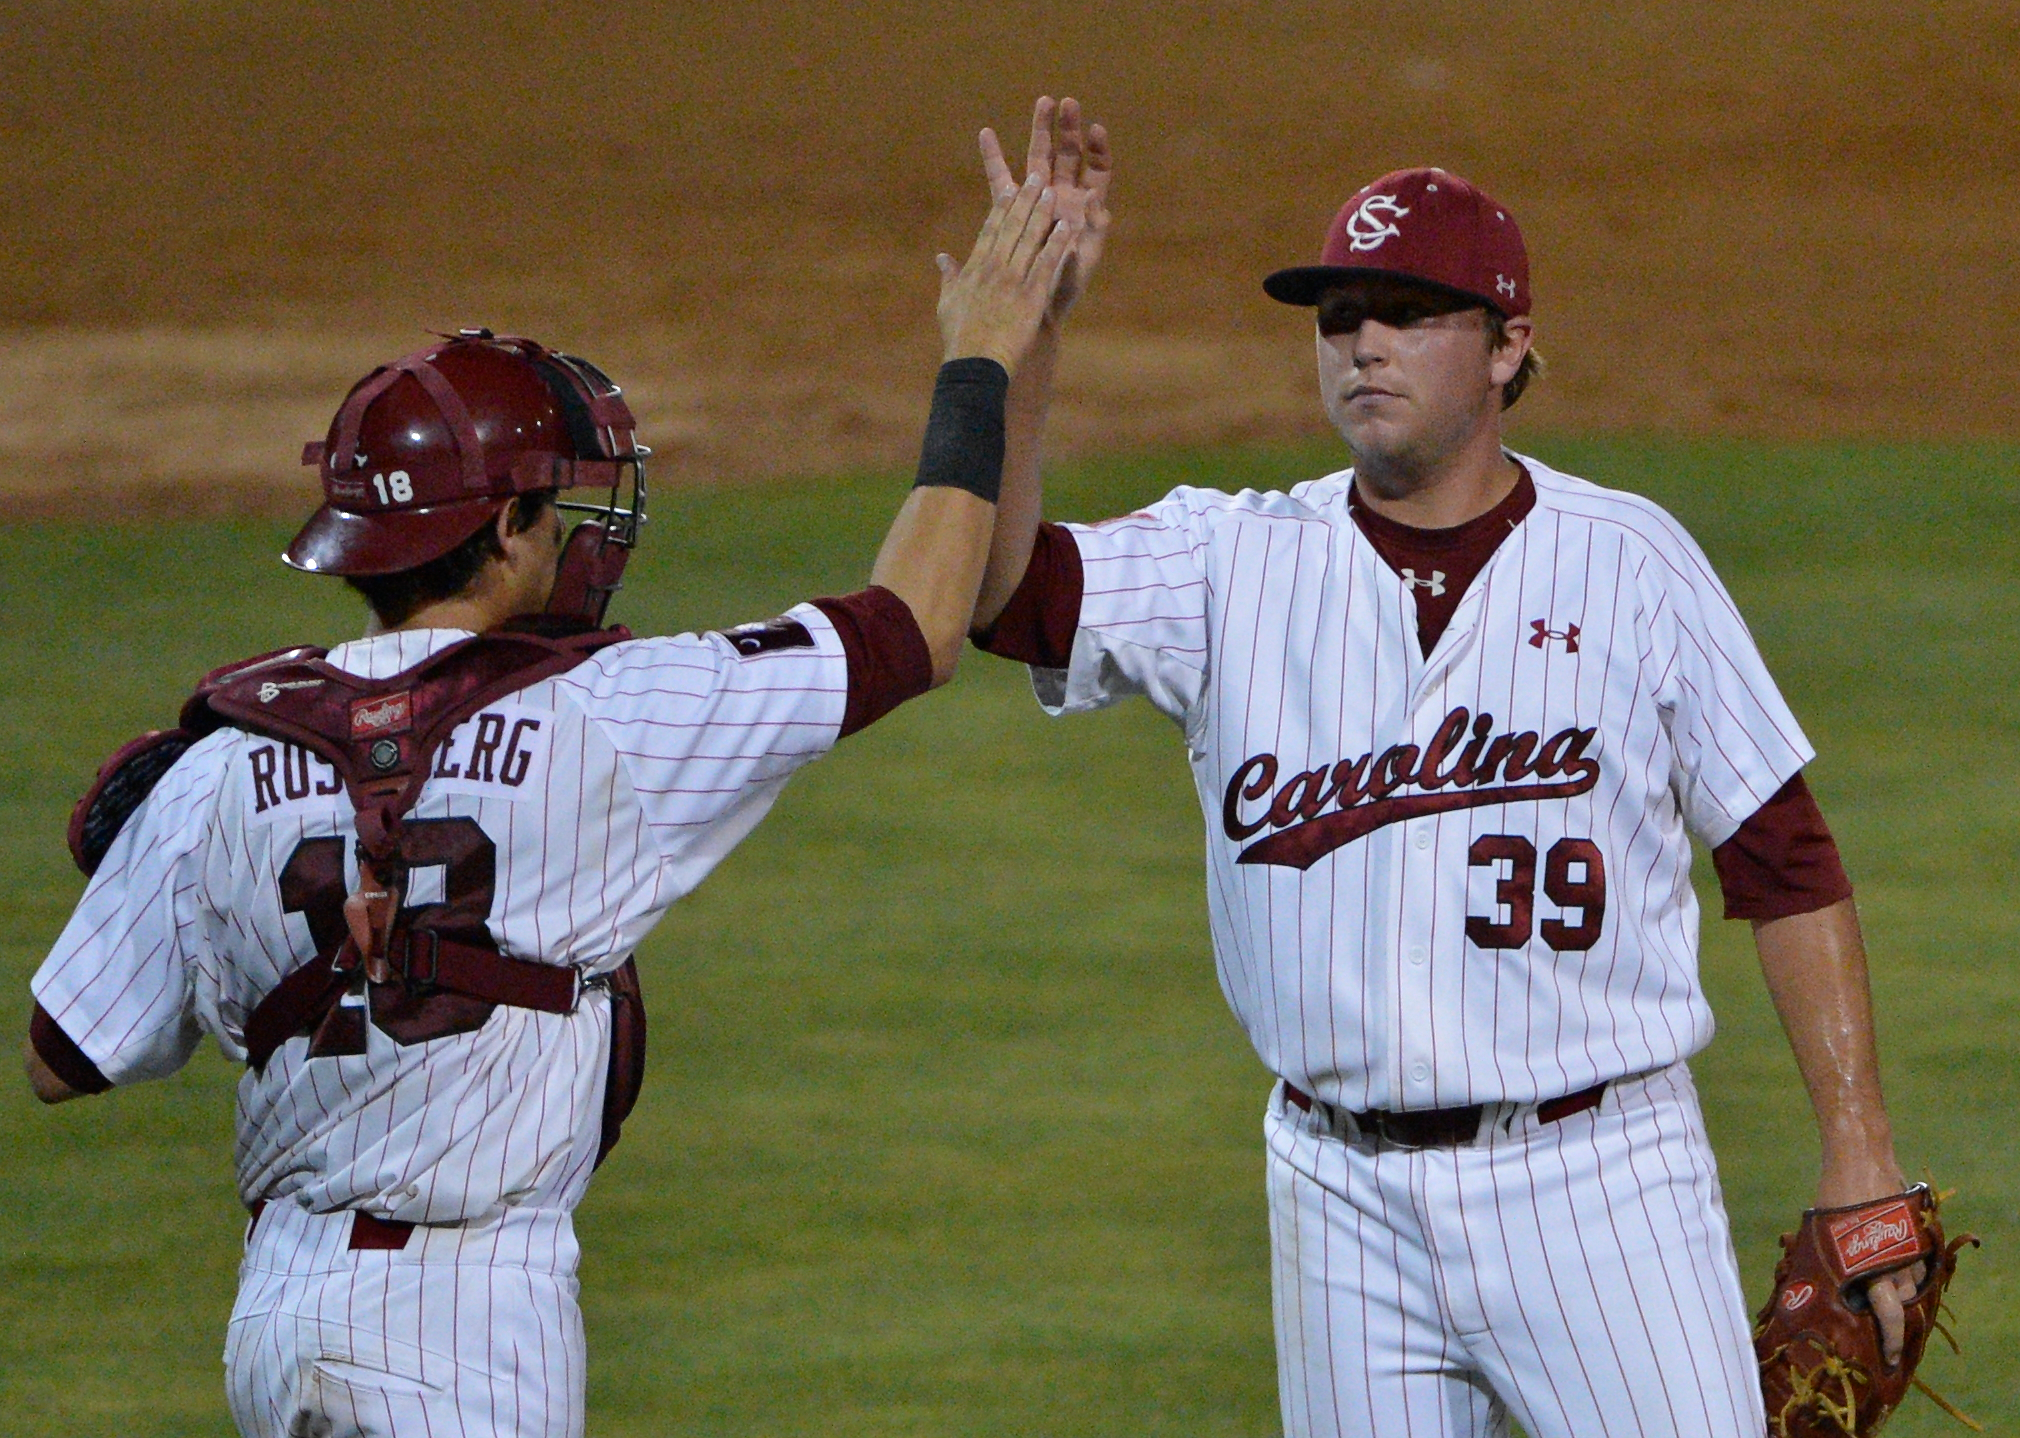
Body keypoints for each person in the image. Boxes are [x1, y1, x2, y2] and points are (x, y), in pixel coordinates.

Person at [25, 163, 1082, 1437]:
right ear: (513, 525)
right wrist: (979, 363)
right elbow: (914, 625)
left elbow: (61, 1058)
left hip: (280, 1312)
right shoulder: (606, 714)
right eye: (561, 502)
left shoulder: (217, 760)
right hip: (469, 1321)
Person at [971, 140, 1922, 1437]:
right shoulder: (1228, 556)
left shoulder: (1630, 562)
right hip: (1337, 1197)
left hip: (1602, 1186)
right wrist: (1028, 345)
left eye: (1409, 313)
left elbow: (1786, 861)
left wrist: (1857, 1148)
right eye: (1339, 316)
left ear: (1506, 344)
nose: (1362, 342)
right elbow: (1005, 596)